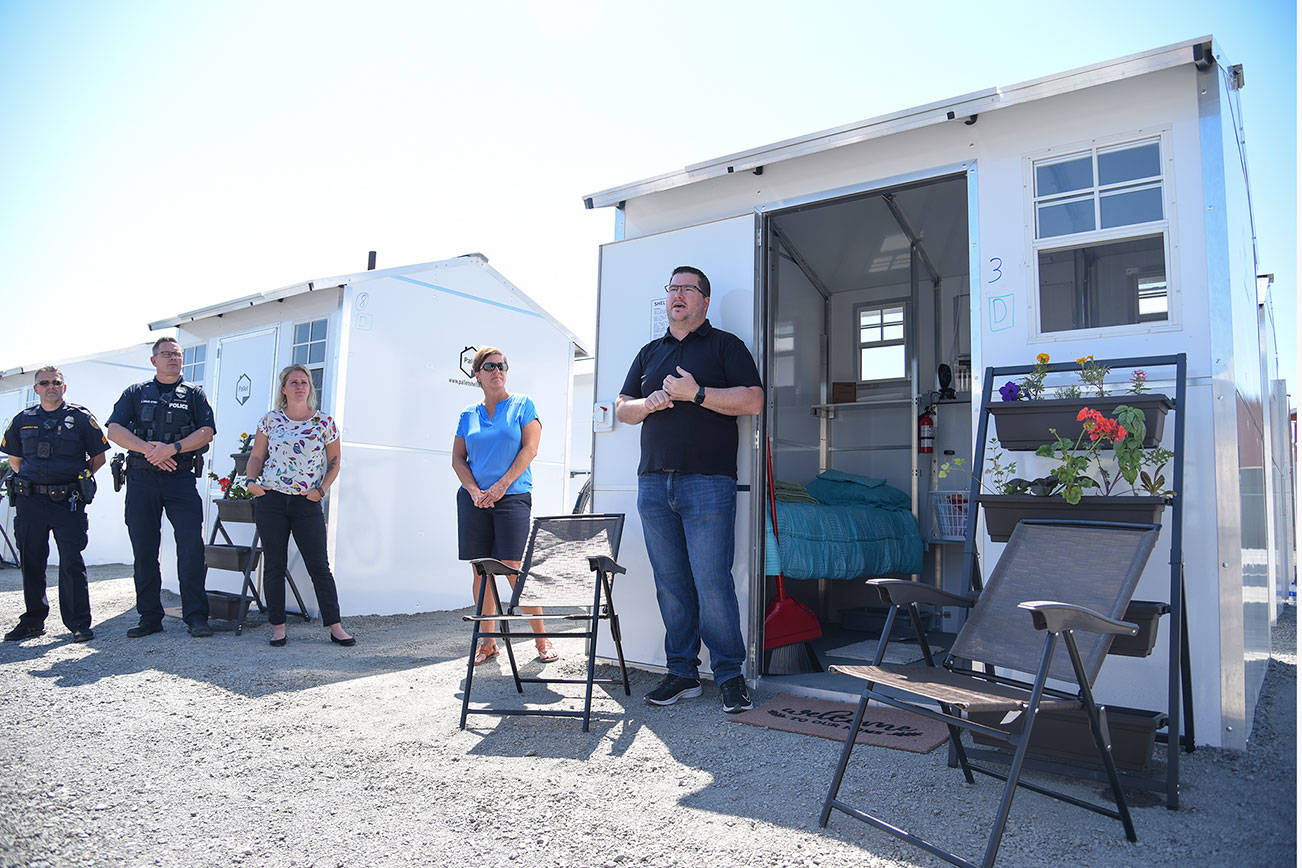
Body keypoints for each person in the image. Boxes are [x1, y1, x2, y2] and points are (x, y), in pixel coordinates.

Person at [615, 266, 764, 714]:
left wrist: (695, 394)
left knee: (712, 581)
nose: (677, 295)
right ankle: (682, 673)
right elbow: (623, 408)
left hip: (708, 483)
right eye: (672, 289)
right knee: (671, 584)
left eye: (687, 289)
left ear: (704, 300)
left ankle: (730, 676)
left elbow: (754, 400)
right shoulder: (649, 352)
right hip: (654, 483)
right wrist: (649, 403)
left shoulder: (726, 346)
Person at [452, 347, 554, 666]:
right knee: (481, 571)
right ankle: (488, 643)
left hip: (512, 496)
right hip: (475, 500)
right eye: (489, 366)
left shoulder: (523, 405)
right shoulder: (468, 414)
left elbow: (530, 449)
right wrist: (474, 490)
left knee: (512, 567)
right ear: (478, 374)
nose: (497, 370)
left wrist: (499, 487)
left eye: (501, 365)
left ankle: (542, 640)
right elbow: (458, 458)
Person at [106, 337, 214, 638]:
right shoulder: (136, 393)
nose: (173, 358)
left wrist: (173, 448)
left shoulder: (194, 394)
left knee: (191, 547)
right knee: (144, 549)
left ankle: (195, 616)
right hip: (142, 480)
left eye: (177, 354)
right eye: (166, 354)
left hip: (180, 479)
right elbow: (114, 429)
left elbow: (207, 432)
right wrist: (149, 450)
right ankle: (149, 617)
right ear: (154, 360)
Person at [245, 365, 353, 647]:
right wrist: (251, 481)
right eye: (293, 382)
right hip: (272, 500)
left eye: (304, 382)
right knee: (274, 564)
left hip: (307, 501)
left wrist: (322, 490)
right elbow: (256, 456)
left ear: (310, 388)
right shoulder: (270, 421)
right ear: (284, 389)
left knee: (319, 566)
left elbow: (335, 462)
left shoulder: (324, 423)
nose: (299, 386)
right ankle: (278, 627)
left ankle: (336, 626)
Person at [0, 367, 109, 643]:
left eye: (56, 382)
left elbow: (98, 458)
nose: (51, 387)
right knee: (32, 560)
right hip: (31, 500)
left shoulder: (80, 418)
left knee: (72, 561)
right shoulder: (22, 420)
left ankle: (78, 623)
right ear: (35, 389)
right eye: (45, 383)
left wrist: (73, 480)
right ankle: (33, 621)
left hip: (67, 501)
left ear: (64, 387)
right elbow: (15, 460)